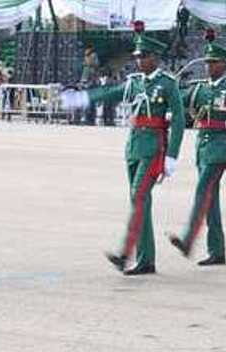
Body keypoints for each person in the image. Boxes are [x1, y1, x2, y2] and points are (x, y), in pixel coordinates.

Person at [61, 21, 185, 276]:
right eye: (138, 57)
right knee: (140, 203)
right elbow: (112, 93)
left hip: (153, 149)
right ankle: (146, 258)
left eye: (145, 57)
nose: (140, 61)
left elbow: (180, 121)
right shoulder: (135, 82)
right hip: (134, 148)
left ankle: (126, 254)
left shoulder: (167, 84)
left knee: (139, 198)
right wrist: (84, 99)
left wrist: (172, 156)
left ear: (156, 58)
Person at [169, 30, 226, 266]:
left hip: (220, 149)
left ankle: (188, 239)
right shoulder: (199, 89)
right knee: (211, 201)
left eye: (213, 63)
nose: (208, 67)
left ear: (224, 65)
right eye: (207, 63)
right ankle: (217, 251)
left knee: (202, 191)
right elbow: (178, 100)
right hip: (202, 148)